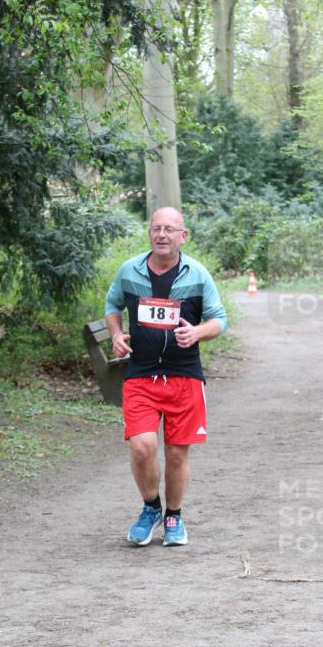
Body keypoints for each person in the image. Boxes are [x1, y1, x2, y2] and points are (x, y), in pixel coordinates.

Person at [105, 207, 227, 546]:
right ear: (149, 233)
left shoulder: (198, 275)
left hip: (183, 374)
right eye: (156, 228)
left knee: (176, 452)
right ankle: (150, 509)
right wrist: (116, 335)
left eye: (169, 229)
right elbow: (112, 306)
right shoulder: (129, 270)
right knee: (142, 447)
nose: (162, 234)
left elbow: (219, 319)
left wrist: (199, 332)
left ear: (182, 236)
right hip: (141, 373)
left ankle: (174, 516)